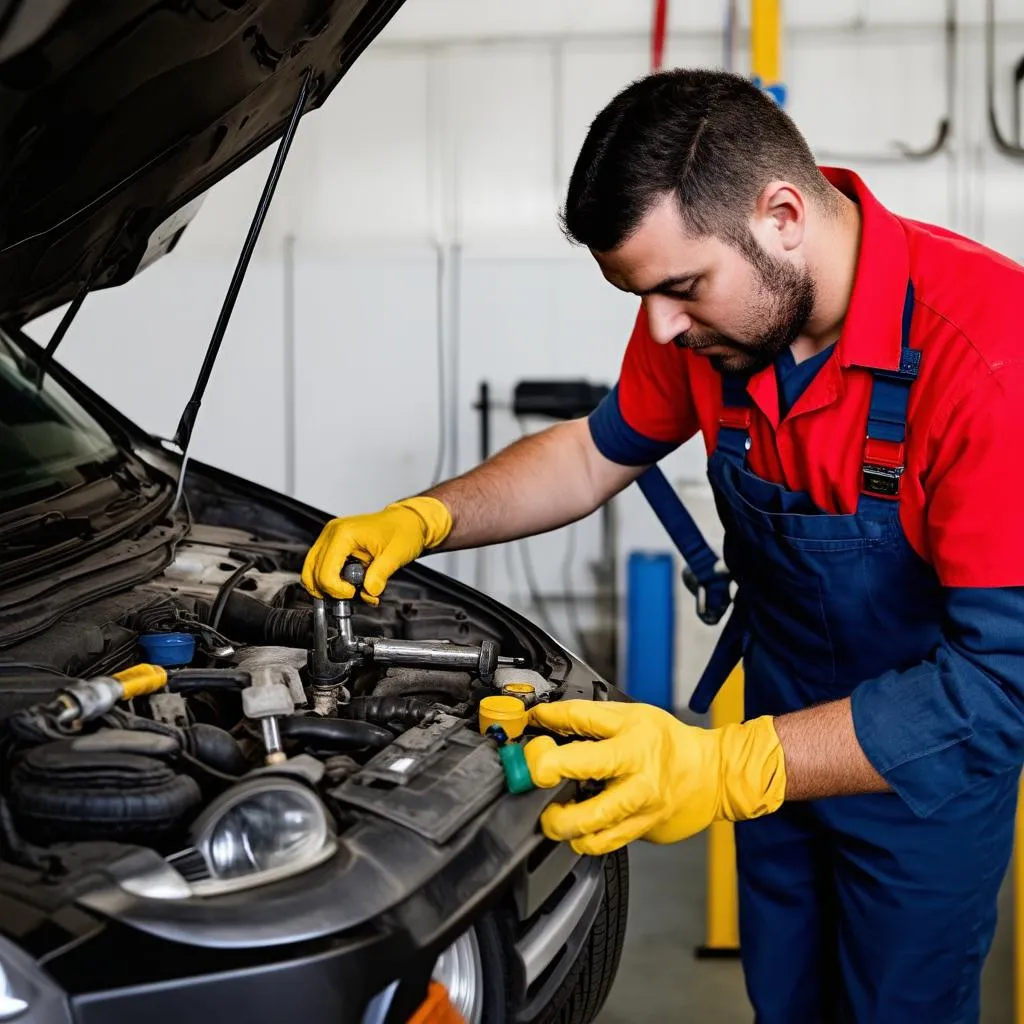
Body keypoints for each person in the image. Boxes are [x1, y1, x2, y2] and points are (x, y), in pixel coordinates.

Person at [302, 68, 1024, 1022]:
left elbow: (1000, 684)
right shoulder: (709, 325)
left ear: (780, 215)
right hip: (774, 734)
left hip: (921, 782)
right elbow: (590, 456)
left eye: (682, 289)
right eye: (645, 296)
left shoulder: (988, 354)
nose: (662, 327)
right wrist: (426, 518)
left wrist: (726, 767)